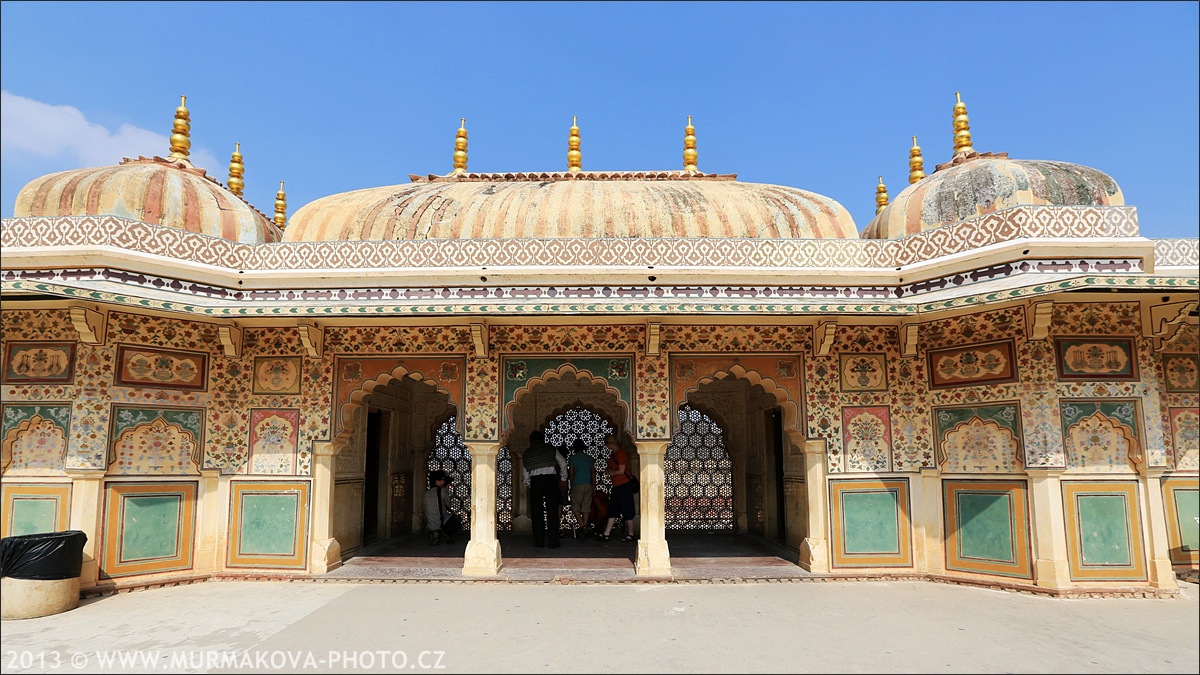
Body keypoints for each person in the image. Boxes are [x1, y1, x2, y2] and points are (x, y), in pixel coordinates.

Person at [523, 429, 568, 548]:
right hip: (550, 480)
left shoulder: (528, 452)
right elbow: (563, 463)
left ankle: (539, 542)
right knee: (552, 511)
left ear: (531, 441)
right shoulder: (551, 448)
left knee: (536, 512)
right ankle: (553, 541)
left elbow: (526, 472)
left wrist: (529, 483)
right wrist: (563, 479)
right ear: (543, 439)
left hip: (535, 482)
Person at [599, 435, 637, 542]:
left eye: (607, 444)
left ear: (610, 443)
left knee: (627, 509)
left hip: (624, 485)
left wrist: (612, 473)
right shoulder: (614, 454)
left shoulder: (621, 453)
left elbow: (621, 470)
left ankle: (631, 533)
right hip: (617, 486)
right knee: (613, 509)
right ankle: (606, 533)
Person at [566, 438, 595, 538]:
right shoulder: (589, 458)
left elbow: (571, 472)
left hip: (577, 484)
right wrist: (594, 486)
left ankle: (582, 526)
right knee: (586, 507)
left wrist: (571, 485)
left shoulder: (573, 458)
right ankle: (585, 526)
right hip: (588, 484)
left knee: (575, 506)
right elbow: (593, 473)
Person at [422, 469, 457, 545]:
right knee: (457, 518)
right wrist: (446, 490)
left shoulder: (426, 493)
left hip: (429, 524)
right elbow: (449, 505)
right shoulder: (441, 491)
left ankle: (434, 534)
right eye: (443, 480)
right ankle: (446, 534)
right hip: (440, 522)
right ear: (437, 481)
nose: (444, 482)